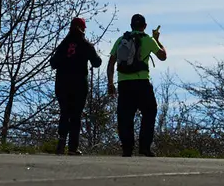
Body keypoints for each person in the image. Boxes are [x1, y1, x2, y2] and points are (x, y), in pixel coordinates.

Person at [107, 14, 167, 157]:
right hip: (142, 83)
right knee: (149, 112)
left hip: (124, 83)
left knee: (125, 116)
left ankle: (127, 149)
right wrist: (157, 40)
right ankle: (144, 147)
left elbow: (111, 63)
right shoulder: (148, 40)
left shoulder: (121, 40)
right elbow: (163, 56)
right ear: (144, 26)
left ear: (131, 26)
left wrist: (110, 82)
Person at [49, 17, 102, 155]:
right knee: (76, 115)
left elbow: (53, 63)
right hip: (79, 84)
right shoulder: (85, 44)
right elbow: (96, 62)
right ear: (82, 28)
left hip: (62, 83)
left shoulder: (64, 44)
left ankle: (61, 144)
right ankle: (72, 147)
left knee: (64, 112)